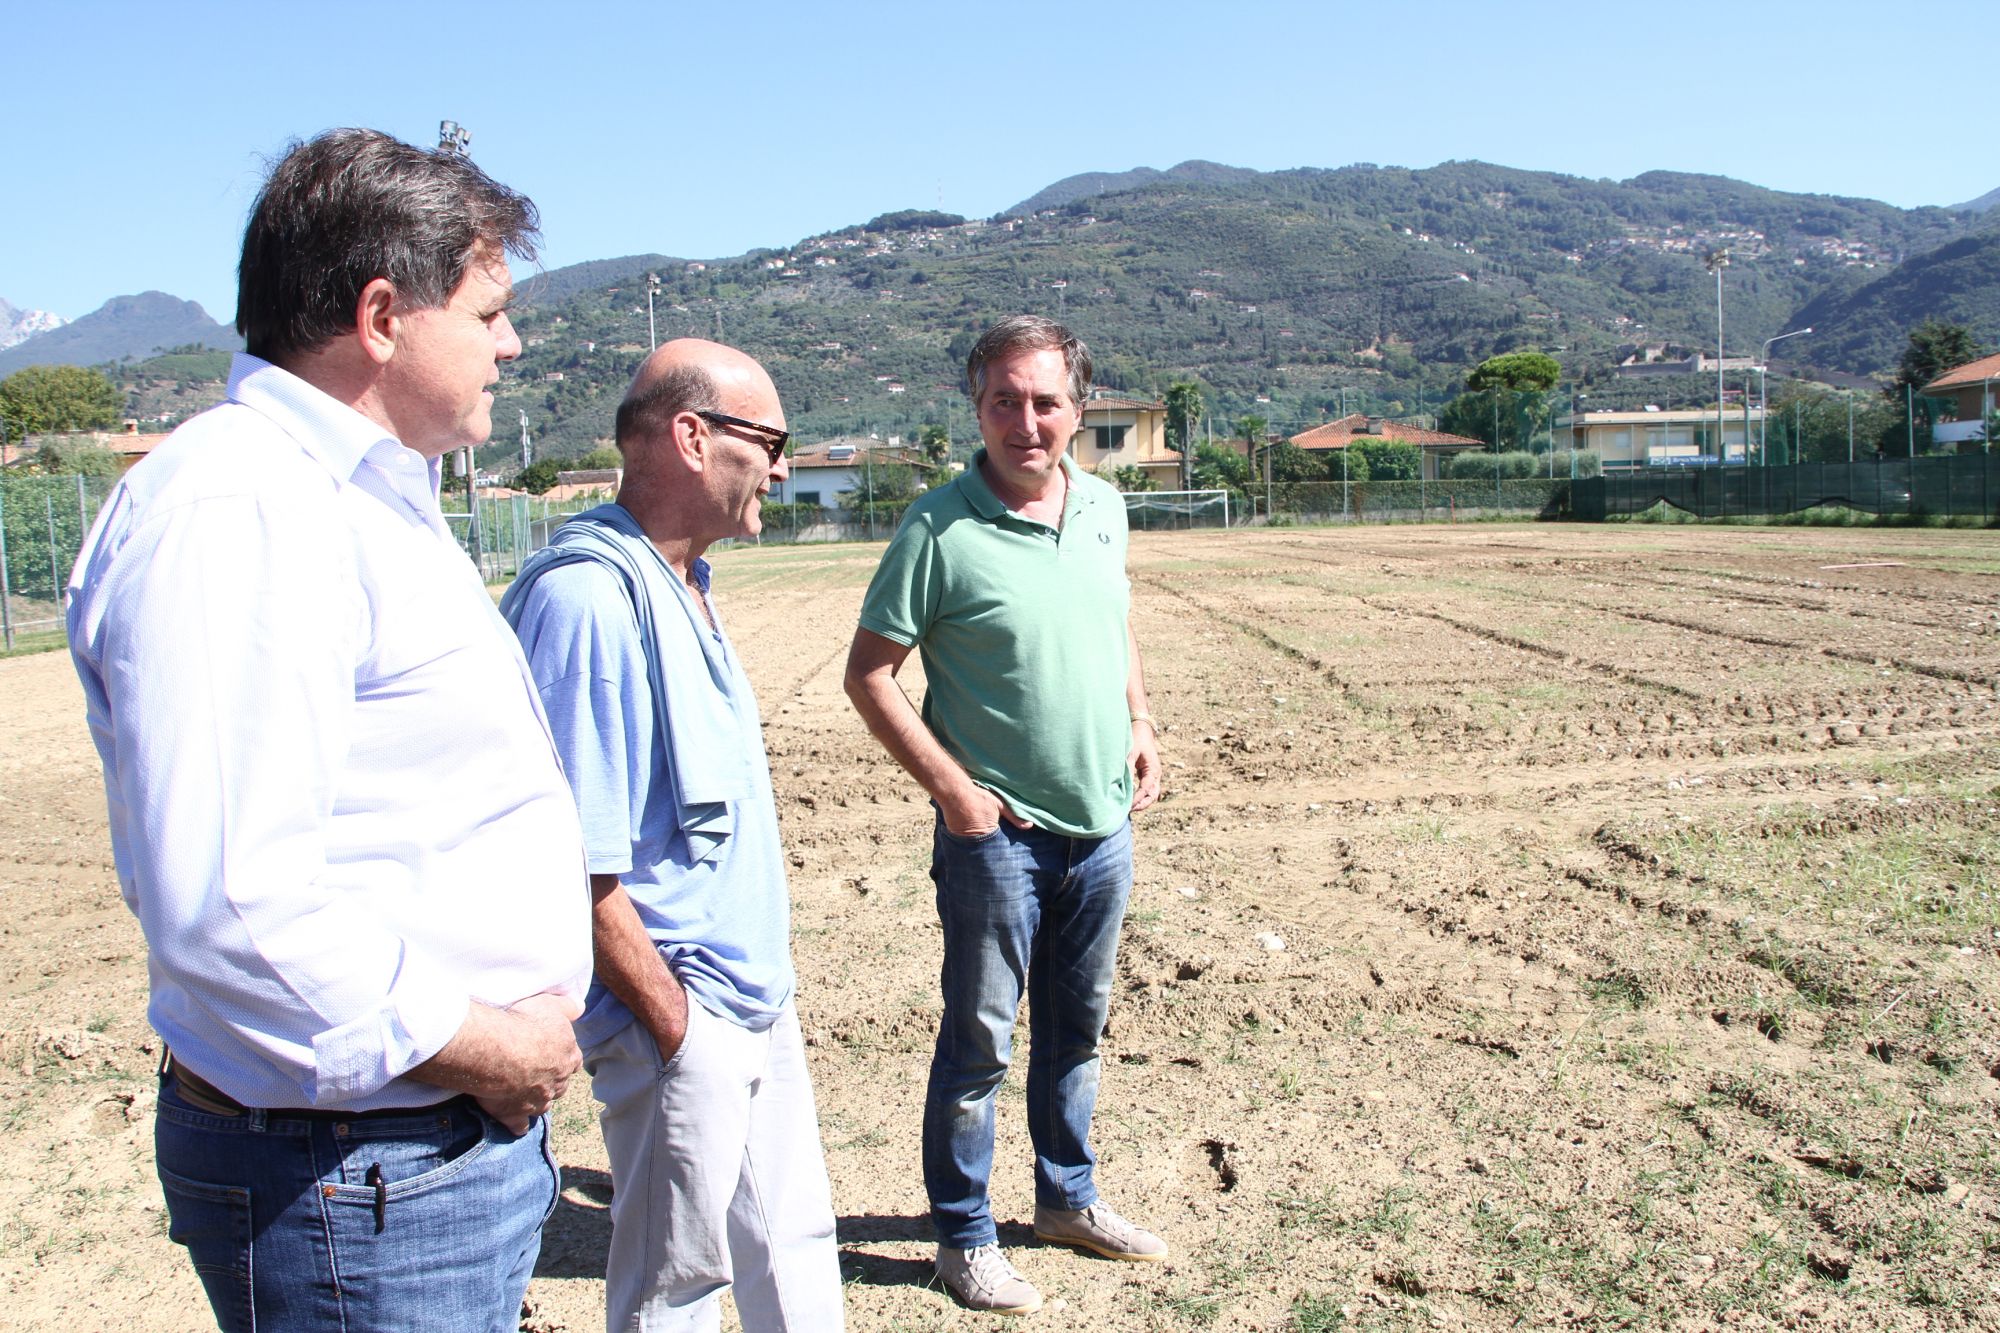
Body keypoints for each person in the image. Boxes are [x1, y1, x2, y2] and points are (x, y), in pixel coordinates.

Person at [65, 128, 591, 1332]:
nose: (511, 343)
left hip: (402, 1163)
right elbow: (234, 905)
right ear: (381, 315)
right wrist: (484, 1046)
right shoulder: (243, 508)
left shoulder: (348, 495)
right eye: (490, 308)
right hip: (353, 1177)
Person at [501, 338, 844, 1332]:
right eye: (770, 442)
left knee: (791, 1256)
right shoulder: (591, 600)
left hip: (747, 999)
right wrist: (675, 1028)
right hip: (680, 1017)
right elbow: (572, 865)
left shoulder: (681, 582)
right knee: (673, 1293)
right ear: (692, 437)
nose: (781, 467)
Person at [843, 314, 1165, 1316]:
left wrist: (1139, 716)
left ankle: (1066, 1201)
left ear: (1077, 407)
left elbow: (1111, 620)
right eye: (1003, 402)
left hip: (1101, 828)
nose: (1024, 422)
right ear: (976, 408)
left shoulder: (1105, 507)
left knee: (1077, 1028)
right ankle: (963, 1236)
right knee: (978, 1041)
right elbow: (870, 675)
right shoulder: (935, 529)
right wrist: (953, 789)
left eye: (1044, 402)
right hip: (999, 842)